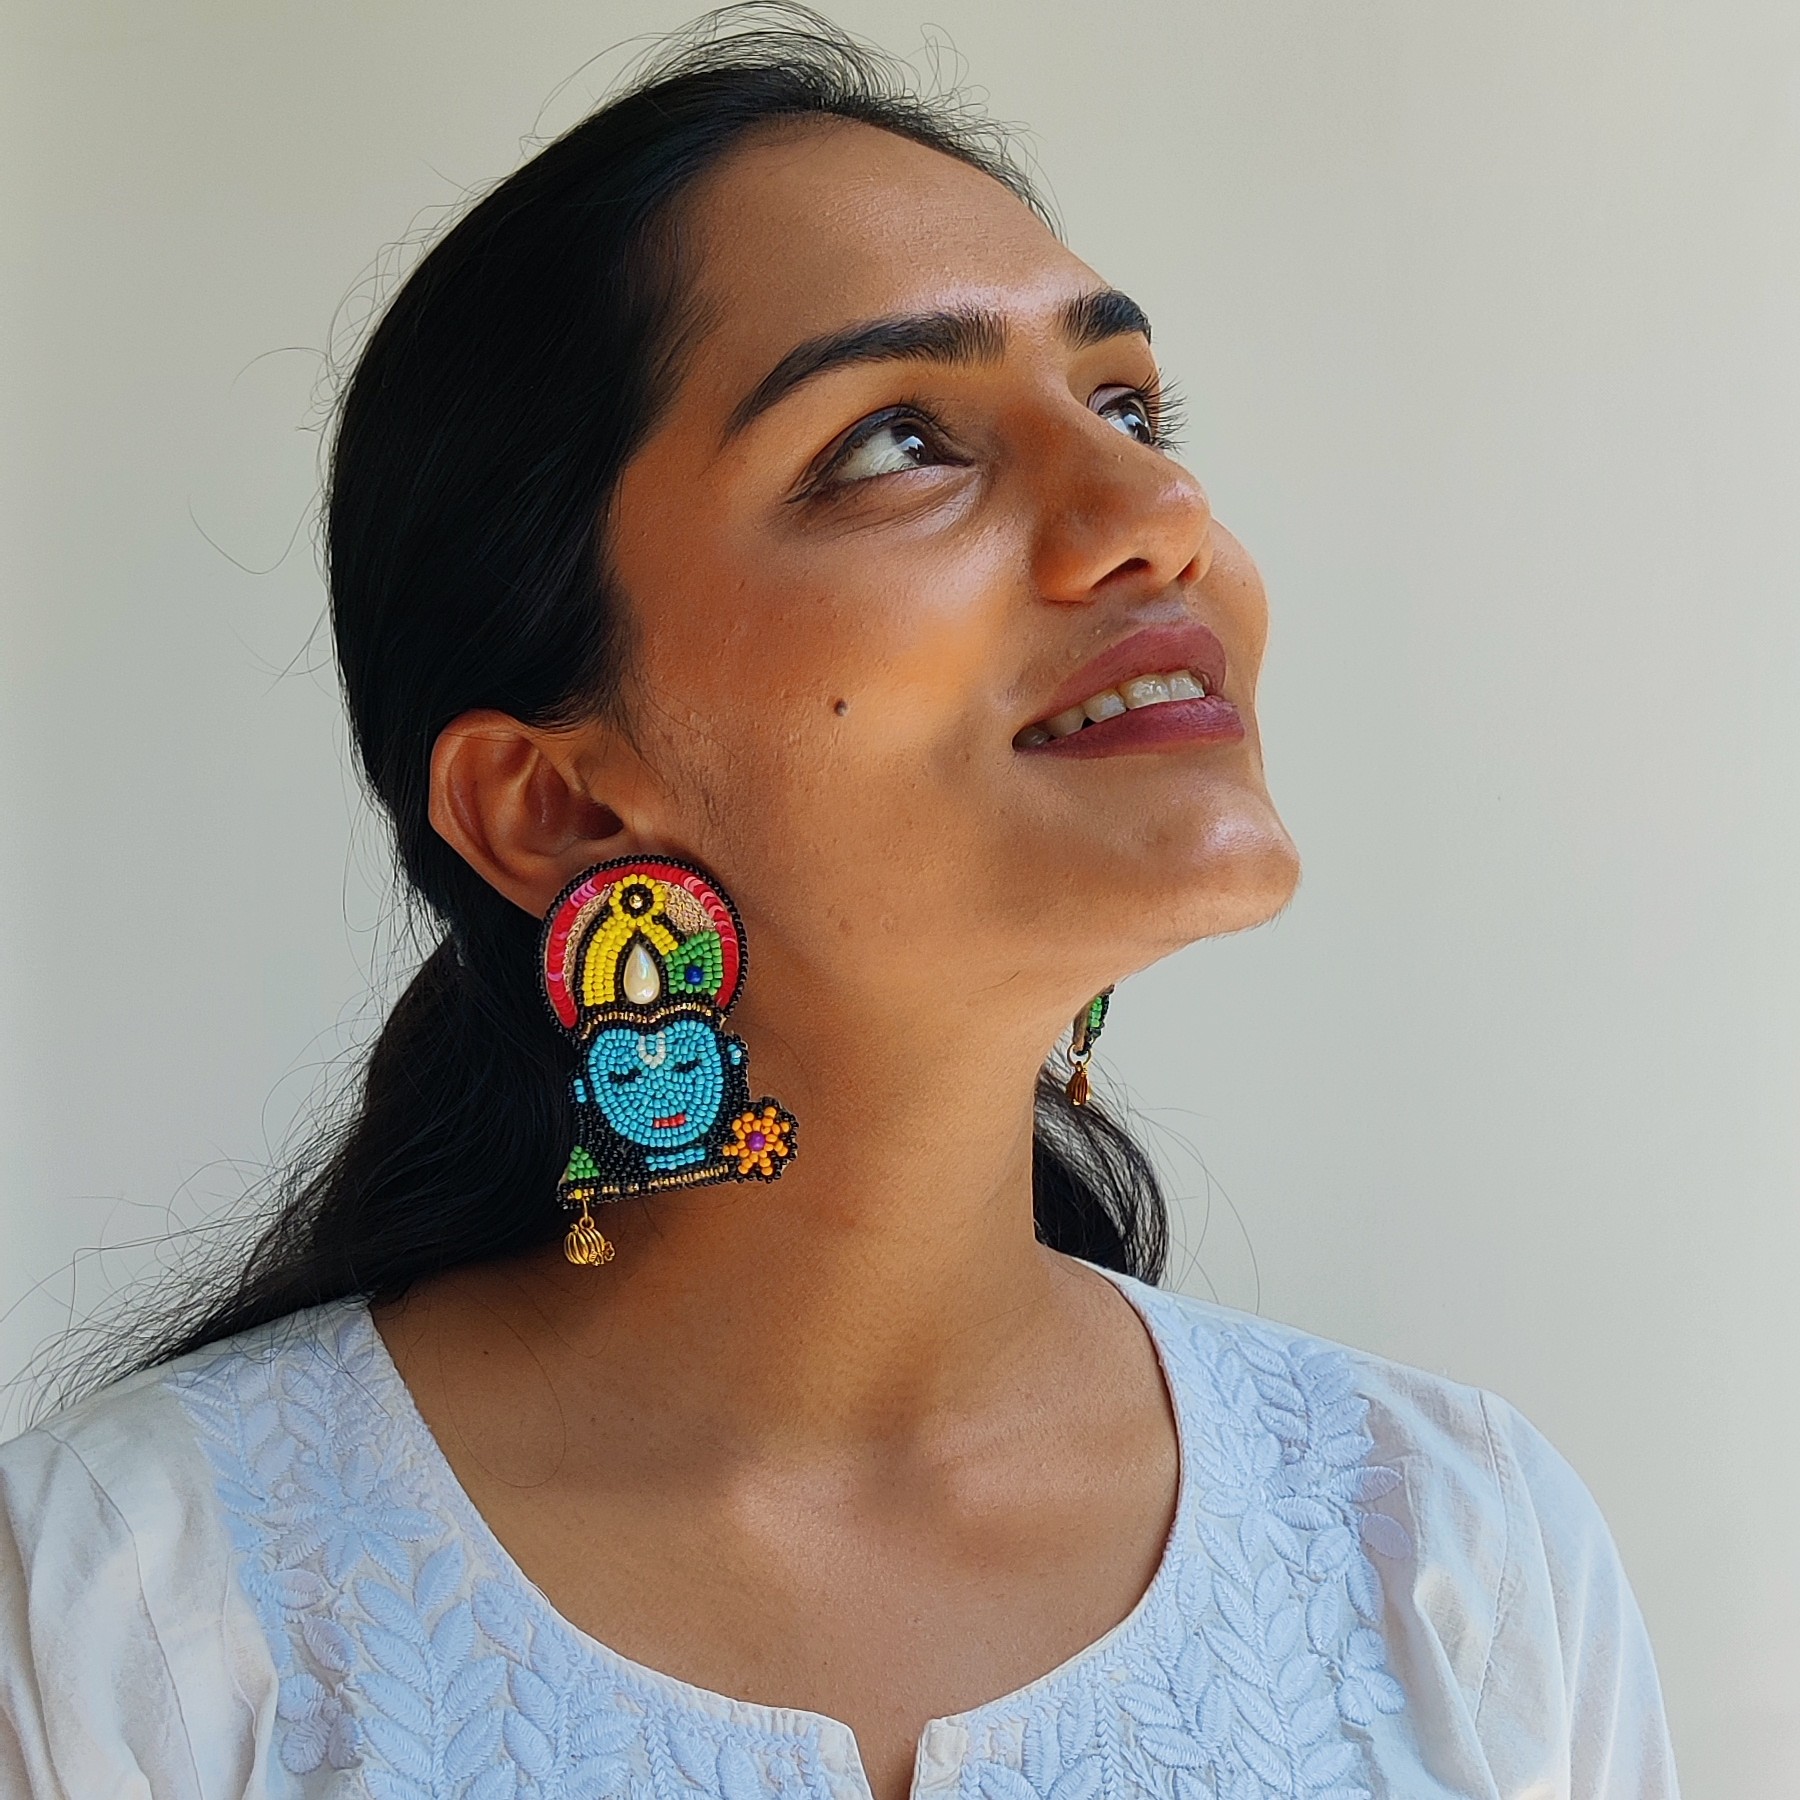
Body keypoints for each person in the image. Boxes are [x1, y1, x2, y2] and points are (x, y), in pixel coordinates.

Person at [0, 9, 1679, 1797]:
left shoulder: (1457, 1561)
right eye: (896, 439)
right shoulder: (142, 1618)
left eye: (1123, 401)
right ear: (556, 801)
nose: (1156, 505)